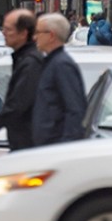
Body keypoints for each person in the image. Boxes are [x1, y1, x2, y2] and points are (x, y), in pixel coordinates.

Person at [0, 9, 43, 152]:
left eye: (8, 29)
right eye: (3, 28)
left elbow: (16, 107)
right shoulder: (21, 59)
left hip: (29, 146)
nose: (3, 33)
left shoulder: (31, 64)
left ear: (23, 33)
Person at [32, 13, 88, 146]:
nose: (34, 37)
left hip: (55, 147)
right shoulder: (51, 63)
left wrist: (65, 145)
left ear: (51, 35)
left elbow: (75, 109)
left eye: (38, 32)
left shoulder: (62, 65)